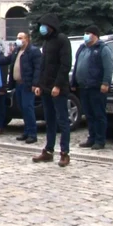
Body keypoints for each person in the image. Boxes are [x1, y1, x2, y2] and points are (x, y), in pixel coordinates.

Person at [32, 13, 73, 167]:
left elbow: (65, 65)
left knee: (63, 121)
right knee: (49, 120)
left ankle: (64, 153)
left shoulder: (62, 40)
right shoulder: (46, 42)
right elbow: (43, 66)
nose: (41, 29)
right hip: (46, 88)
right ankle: (49, 151)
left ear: (51, 27)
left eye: (44, 26)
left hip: (58, 89)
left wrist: (57, 85)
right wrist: (38, 85)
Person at [0, 32, 42, 142]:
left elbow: (38, 68)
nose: (18, 39)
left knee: (28, 108)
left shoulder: (33, 51)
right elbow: (6, 60)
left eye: (20, 38)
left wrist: (35, 83)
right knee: (22, 109)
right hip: (18, 85)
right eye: (17, 37)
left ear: (26, 39)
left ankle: (32, 133)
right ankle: (26, 131)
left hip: (27, 84)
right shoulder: (17, 51)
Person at [71, 25, 113, 150]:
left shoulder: (102, 49)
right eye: (85, 33)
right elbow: (77, 65)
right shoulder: (82, 48)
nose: (85, 35)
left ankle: (100, 140)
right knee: (89, 114)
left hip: (96, 86)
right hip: (84, 86)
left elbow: (108, 68)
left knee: (98, 114)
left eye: (88, 33)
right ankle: (91, 137)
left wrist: (105, 83)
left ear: (95, 35)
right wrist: (74, 82)